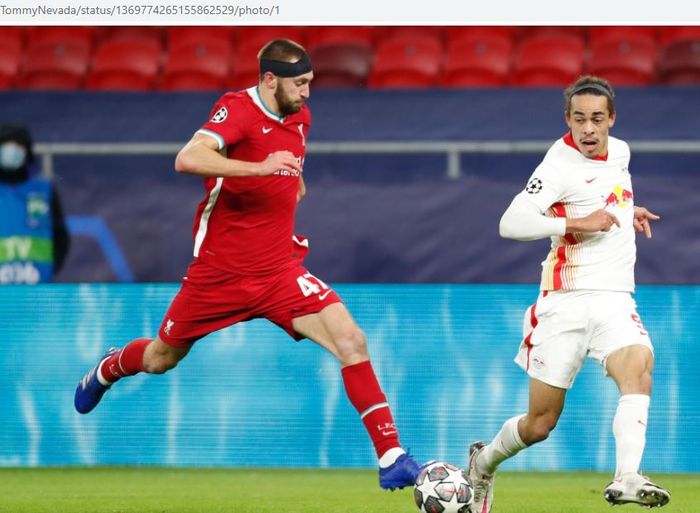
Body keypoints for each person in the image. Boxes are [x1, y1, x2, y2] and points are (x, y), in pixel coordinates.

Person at [74, 38, 423, 490]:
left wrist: (293, 181)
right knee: (162, 358)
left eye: (311, 83)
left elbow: (289, 162)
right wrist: (260, 169)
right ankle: (110, 366)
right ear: (269, 79)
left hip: (280, 271)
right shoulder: (237, 108)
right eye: (299, 84)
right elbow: (188, 158)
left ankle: (391, 456)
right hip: (218, 275)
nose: (307, 93)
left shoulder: (300, 116)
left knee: (351, 341)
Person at [466, 75, 671, 512]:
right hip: (565, 302)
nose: (589, 129)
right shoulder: (556, 166)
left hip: (616, 297)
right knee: (540, 424)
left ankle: (628, 476)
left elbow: (603, 194)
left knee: (638, 368)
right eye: (580, 120)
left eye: (597, 119)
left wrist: (623, 210)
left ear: (612, 119)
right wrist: (575, 224)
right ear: (568, 120)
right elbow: (510, 223)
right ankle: (482, 464)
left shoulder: (621, 152)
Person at [0, 123, 69, 284]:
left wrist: (50, 268)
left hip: (37, 288)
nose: (11, 151)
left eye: (17, 146)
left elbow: (60, 235)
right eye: (4, 145)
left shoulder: (43, 191)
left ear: (27, 151)